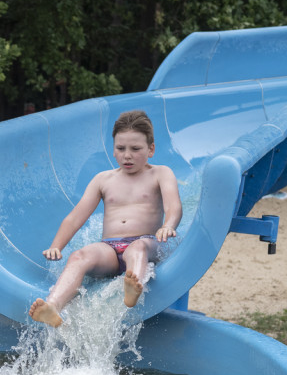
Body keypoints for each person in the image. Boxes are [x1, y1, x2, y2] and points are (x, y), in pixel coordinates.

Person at [29, 110, 182, 327]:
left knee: (136, 248)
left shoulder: (160, 173)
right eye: (120, 148)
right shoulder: (103, 180)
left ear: (151, 149)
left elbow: (174, 206)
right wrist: (57, 246)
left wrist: (168, 225)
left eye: (135, 149)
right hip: (109, 249)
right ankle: (53, 306)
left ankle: (133, 289)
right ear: (113, 149)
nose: (127, 155)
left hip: (146, 243)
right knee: (79, 256)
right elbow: (75, 218)